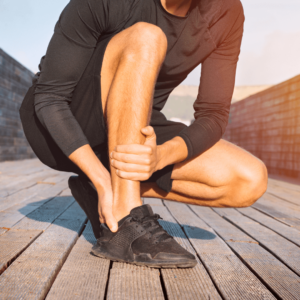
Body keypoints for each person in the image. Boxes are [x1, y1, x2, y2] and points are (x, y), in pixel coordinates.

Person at [20, 0, 267, 268]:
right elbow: (49, 98)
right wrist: (102, 179)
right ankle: (124, 218)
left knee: (249, 179)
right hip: (62, 124)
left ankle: (113, 191)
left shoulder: (225, 12)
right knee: (147, 36)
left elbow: (214, 115)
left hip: (132, 127)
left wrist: (162, 155)